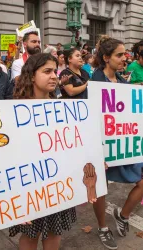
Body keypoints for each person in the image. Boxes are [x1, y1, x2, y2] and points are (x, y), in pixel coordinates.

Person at [11, 53, 77, 250]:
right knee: (31, 235)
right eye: (47, 71)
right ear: (32, 75)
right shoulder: (14, 110)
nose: (54, 76)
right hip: (29, 187)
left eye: (54, 71)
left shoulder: (63, 107)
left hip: (57, 184)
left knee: (54, 233)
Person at [92, 35, 143, 249]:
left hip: (124, 144)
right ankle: (103, 228)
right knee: (100, 188)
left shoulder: (124, 83)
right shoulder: (93, 83)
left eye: (125, 54)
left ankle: (122, 215)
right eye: (119, 55)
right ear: (106, 58)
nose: (125, 58)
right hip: (101, 147)